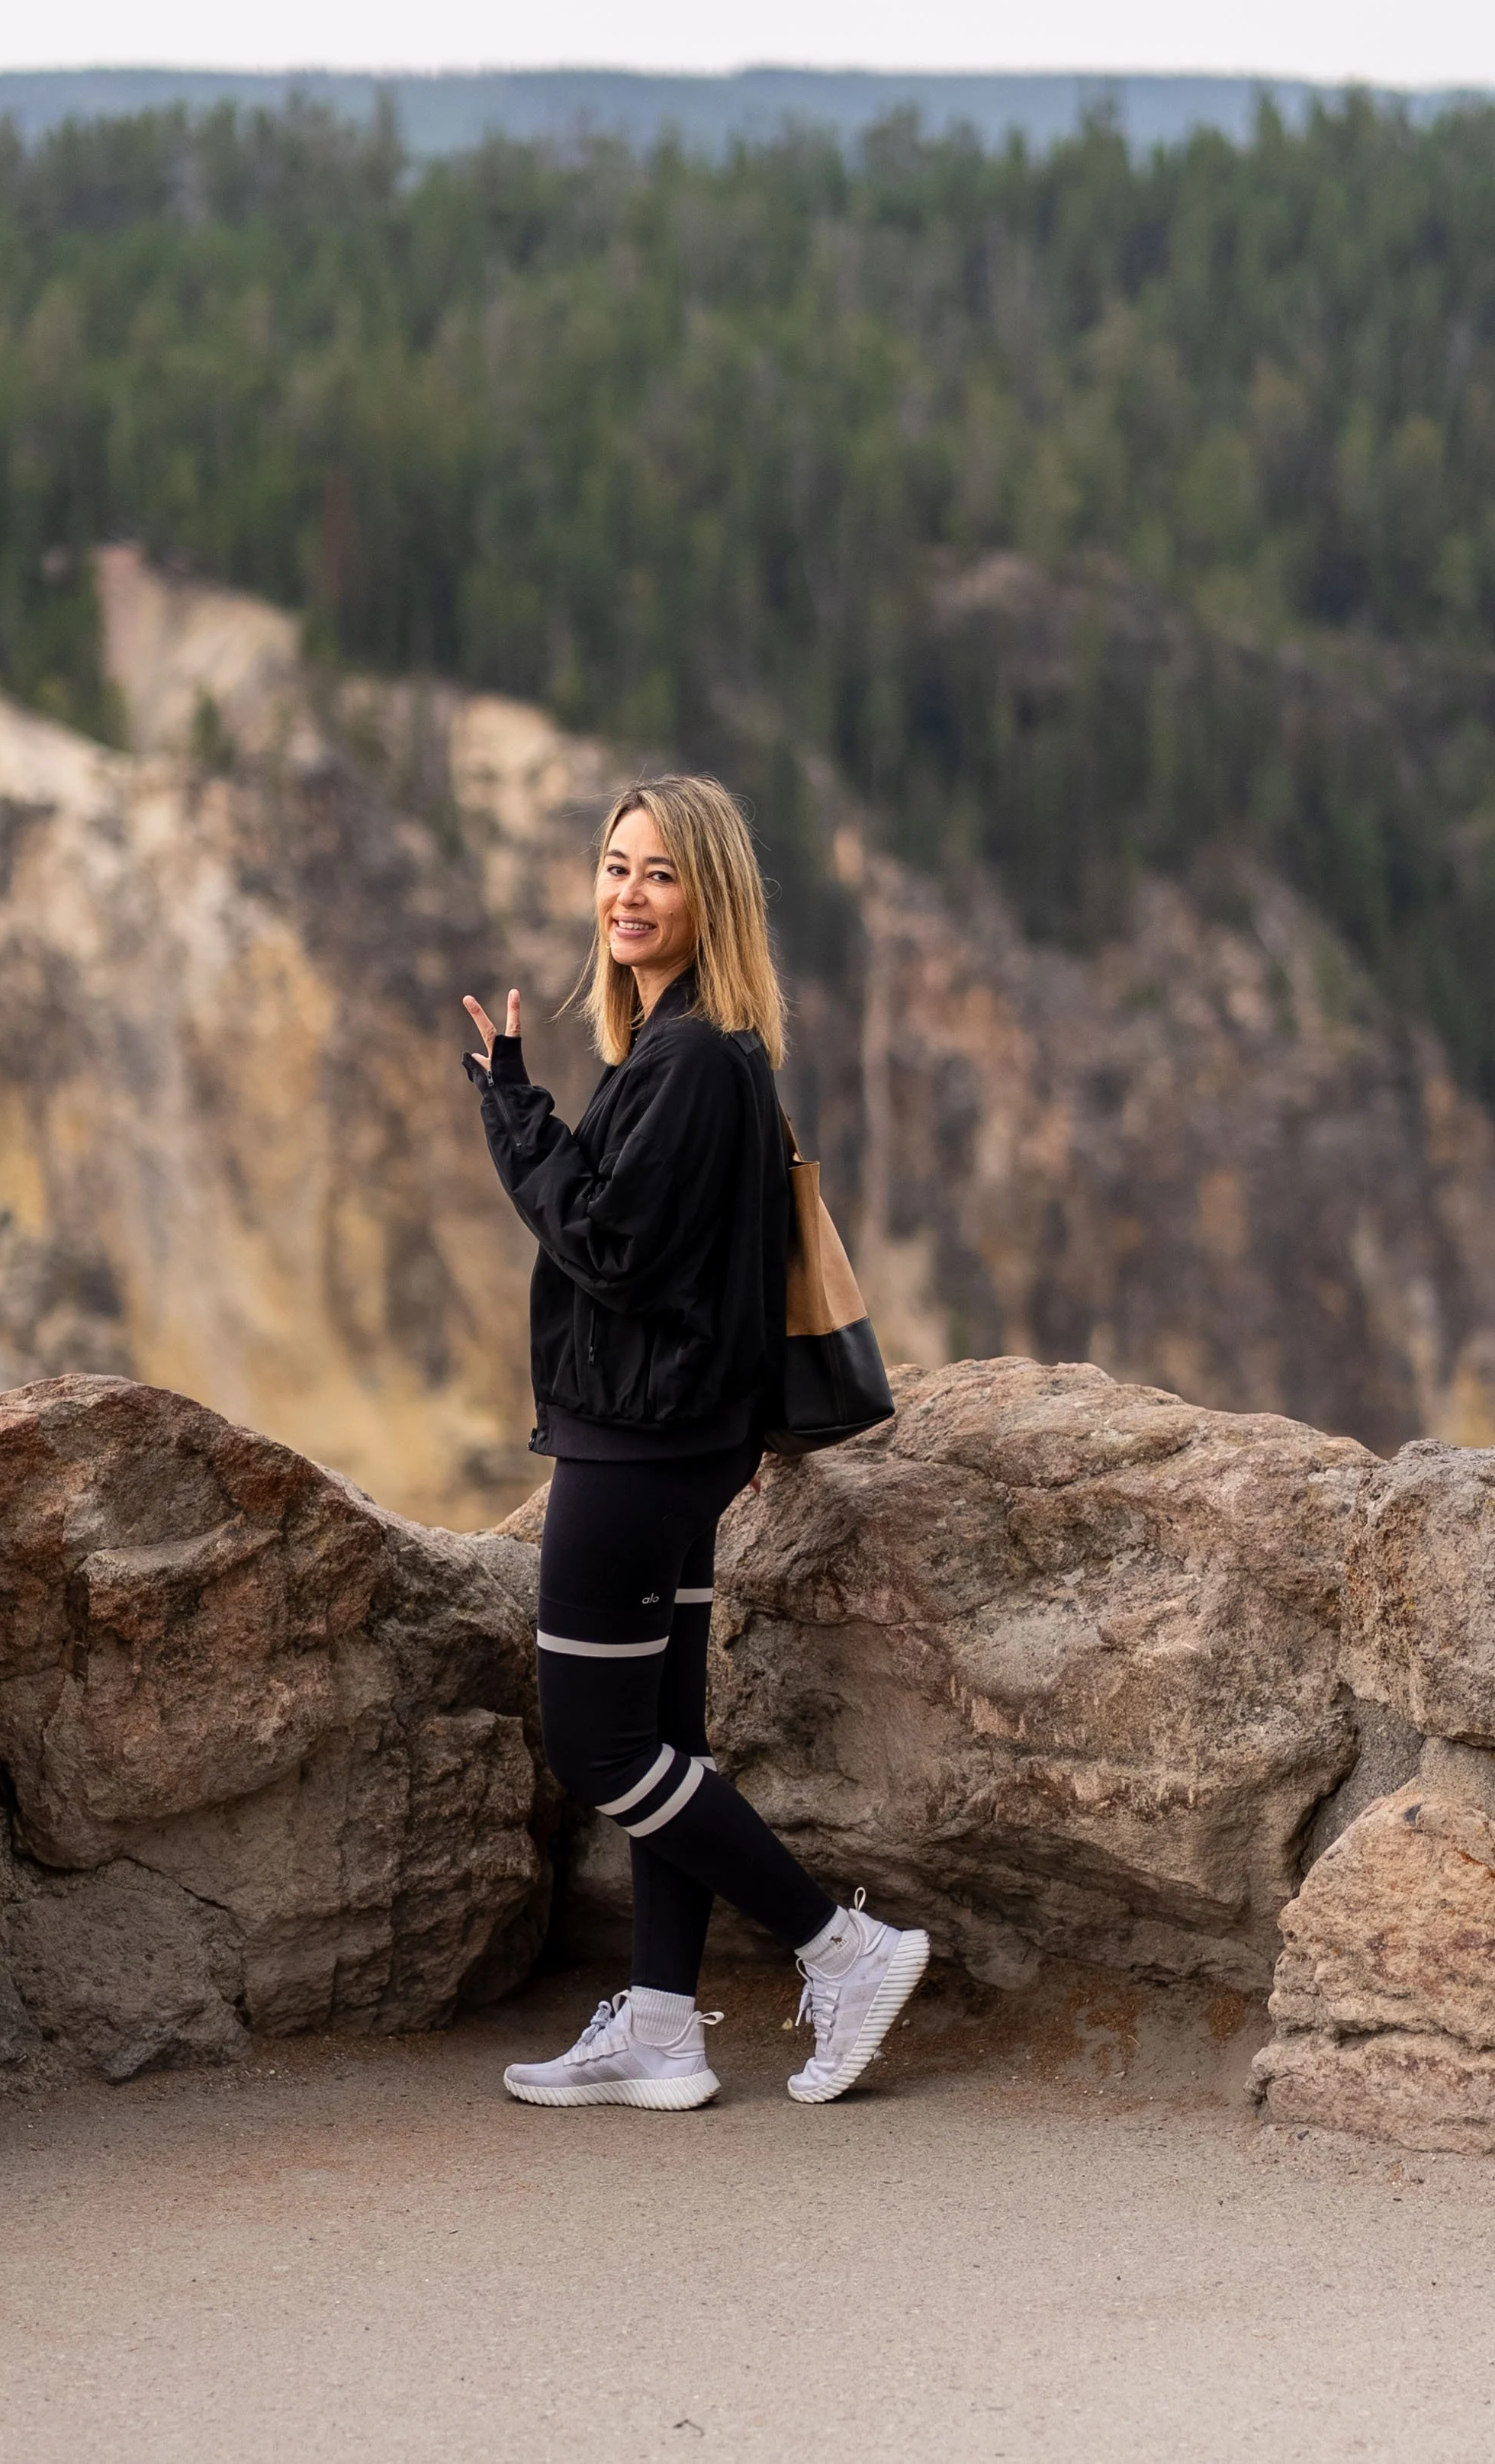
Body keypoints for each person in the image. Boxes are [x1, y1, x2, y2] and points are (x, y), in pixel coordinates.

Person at [463, 774, 928, 2110]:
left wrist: (514, 1114)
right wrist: (538, 1102)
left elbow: (607, 1243)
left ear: (709, 895)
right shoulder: (691, 1049)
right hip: (678, 1437)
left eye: (660, 872)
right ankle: (665, 2025)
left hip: (638, 1446)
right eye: (615, 865)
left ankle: (842, 1949)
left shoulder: (692, 1060)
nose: (627, 892)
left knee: (597, 1744)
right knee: (669, 1737)